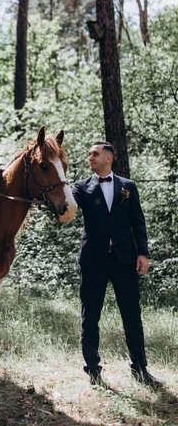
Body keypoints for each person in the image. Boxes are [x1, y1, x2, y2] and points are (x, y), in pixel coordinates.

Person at [72, 142, 161, 387]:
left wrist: (143, 253)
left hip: (125, 259)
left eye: (95, 154)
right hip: (93, 261)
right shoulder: (80, 187)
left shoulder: (128, 187)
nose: (90, 157)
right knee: (90, 316)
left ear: (108, 158)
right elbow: (66, 208)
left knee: (132, 315)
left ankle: (140, 368)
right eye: (89, 153)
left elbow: (138, 222)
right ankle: (92, 370)